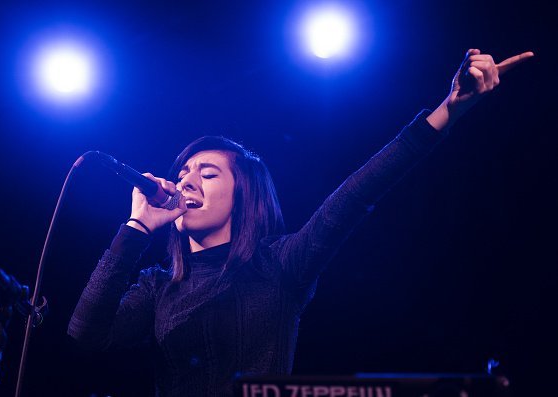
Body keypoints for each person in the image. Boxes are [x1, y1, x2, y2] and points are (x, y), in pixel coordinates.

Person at [68, 49, 533, 396]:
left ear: (242, 196)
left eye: (208, 173)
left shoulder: (278, 265)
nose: (187, 180)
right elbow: (86, 335)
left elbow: (357, 193)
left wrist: (448, 110)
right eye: (184, 172)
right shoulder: (158, 286)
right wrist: (135, 230)